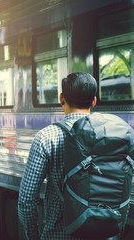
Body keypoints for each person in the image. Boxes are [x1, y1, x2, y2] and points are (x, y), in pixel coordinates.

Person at [18, 72, 101, 239]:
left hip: (59, 235)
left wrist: (34, 236)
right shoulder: (108, 136)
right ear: (94, 101)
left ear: (61, 98)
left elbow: (27, 200)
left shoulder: (47, 137)